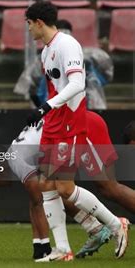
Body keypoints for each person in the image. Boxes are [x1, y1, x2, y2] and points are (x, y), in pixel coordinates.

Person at [24, 1, 129, 262]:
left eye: (28, 24)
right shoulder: (46, 51)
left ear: (38, 22)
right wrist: (47, 112)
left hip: (69, 120)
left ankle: (116, 224)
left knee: (66, 188)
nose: (27, 30)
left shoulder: (66, 44)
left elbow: (77, 84)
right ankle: (61, 249)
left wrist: (46, 106)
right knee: (47, 186)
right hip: (53, 122)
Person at [7, 111, 135, 260]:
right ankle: (93, 229)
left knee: (109, 187)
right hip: (72, 128)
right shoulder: (17, 151)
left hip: (82, 127)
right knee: (54, 189)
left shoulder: (15, 158)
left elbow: (37, 201)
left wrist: (41, 248)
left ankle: (114, 225)